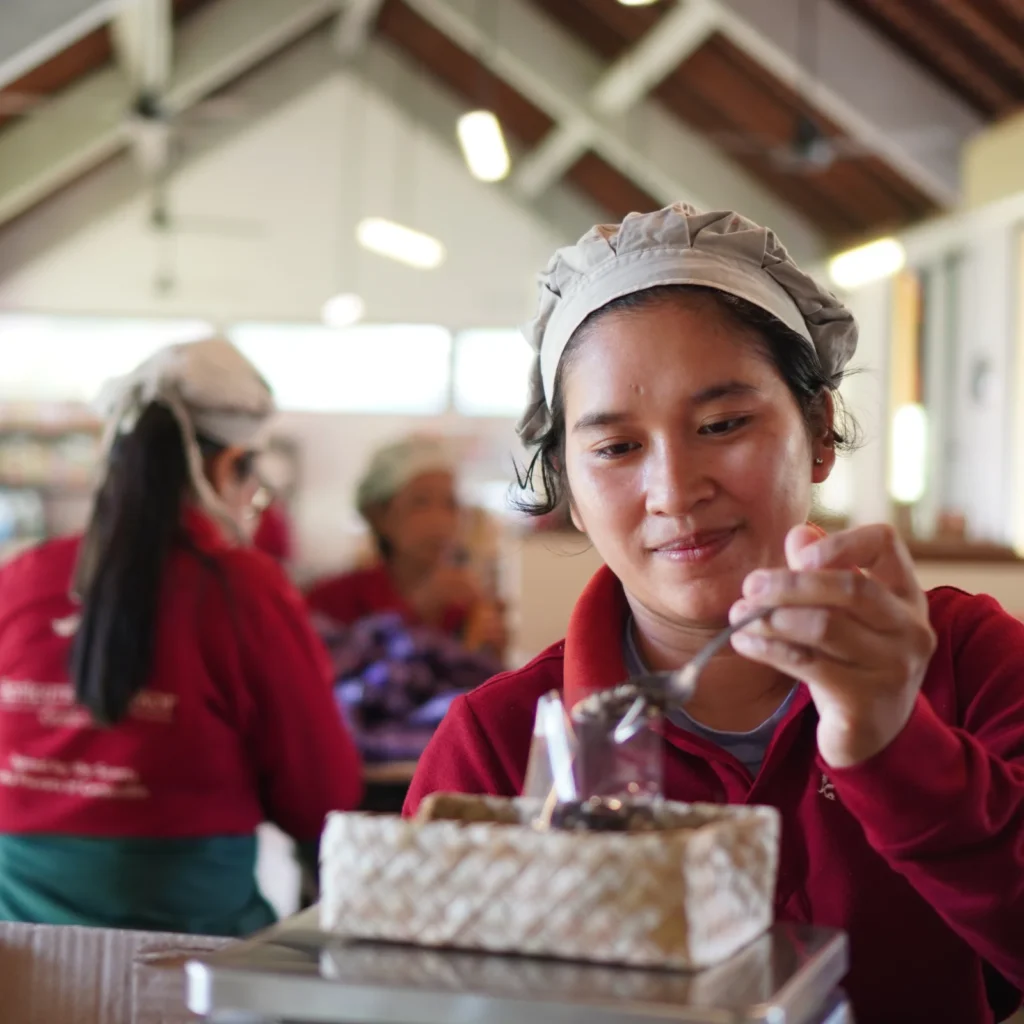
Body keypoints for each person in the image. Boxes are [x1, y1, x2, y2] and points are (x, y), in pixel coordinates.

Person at [404, 205, 1024, 1023]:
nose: (674, 491)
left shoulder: (968, 663)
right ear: (571, 493)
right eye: (617, 448)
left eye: (723, 424)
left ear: (819, 430)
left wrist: (892, 746)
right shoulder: (501, 743)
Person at [0, 338, 362, 935]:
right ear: (226, 467)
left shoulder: (24, 577)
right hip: (187, 966)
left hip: (23, 963)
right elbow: (319, 797)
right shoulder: (240, 588)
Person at [306, 435, 506, 656]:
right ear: (379, 515)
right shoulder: (331, 600)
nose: (439, 521)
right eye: (420, 503)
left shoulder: (464, 606)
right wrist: (417, 612)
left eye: (450, 504)